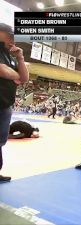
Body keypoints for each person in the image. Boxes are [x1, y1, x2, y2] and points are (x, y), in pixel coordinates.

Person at [0, 23, 29, 182]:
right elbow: (2, 70)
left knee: (0, 142)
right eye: (9, 35)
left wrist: (20, 58)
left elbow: (24, 78)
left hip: (5, 105)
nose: (13, 38)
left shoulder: (11, 56)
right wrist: (14, 75)